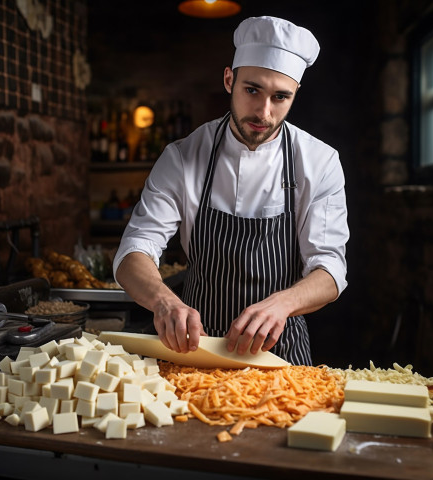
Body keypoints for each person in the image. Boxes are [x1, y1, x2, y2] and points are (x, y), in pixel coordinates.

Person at [113, 16, 349, 365]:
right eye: (252, 90)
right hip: (193, 348)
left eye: (280, 97)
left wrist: (282, 304)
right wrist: (165, 301)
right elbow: (135, 250)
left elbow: (330, 269)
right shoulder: (181, 157)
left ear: (294, 94)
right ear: (229, 80)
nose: (263, 112)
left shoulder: (320, 161)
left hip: (280, 354)